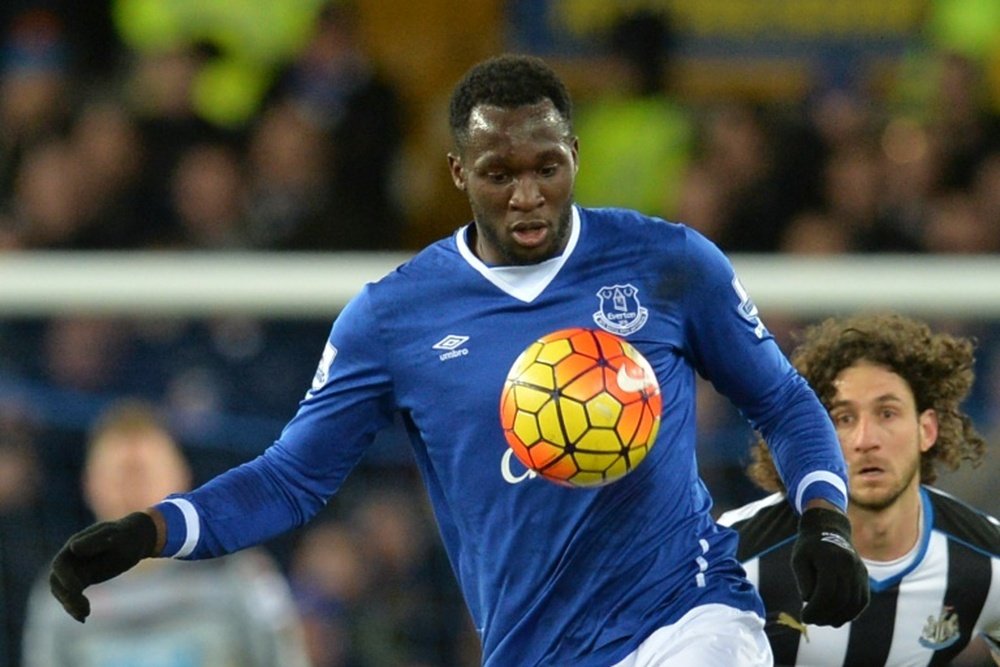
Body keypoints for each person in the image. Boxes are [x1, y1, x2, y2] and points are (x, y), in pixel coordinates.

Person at [46, 54, 868, 667]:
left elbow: (785, 402)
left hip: (689, 619)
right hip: (529, 645)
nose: (527, 194)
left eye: (548, 167)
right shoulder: (395, 316)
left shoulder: (668, 263)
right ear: (456, 173)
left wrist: (827, 521)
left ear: (575, 154)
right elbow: (292, 477)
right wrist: (152, 529)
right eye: (498, 172)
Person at [718, 313, 1000, 666]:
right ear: (815, 437)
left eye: (887, 413)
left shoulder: (987, 562)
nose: (866, 441)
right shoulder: (731, 554)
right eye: (844, 419)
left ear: (927, 430)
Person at [25, 400, 311, 667]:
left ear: (181, 478)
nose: (132, 490)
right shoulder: (63, 588)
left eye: (145, 472)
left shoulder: (240, 574)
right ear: (90, 485)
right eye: (119, 474)